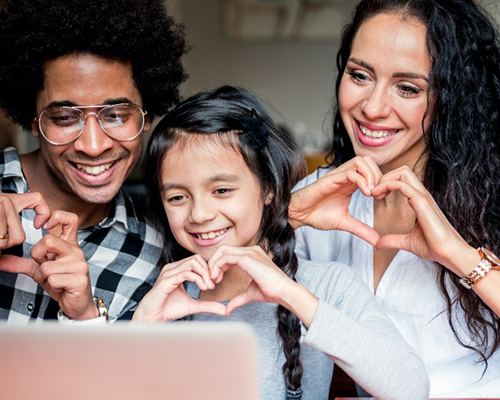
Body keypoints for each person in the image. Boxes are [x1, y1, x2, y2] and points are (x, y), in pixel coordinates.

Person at [132, 86, 430, 399]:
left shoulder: (328, 285)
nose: (200, 214)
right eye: (177, 197)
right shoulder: (168, 297)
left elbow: (410, 388)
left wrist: (290, 294)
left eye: (221, 190)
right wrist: (143, 328)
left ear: (269, 188)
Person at [289, 0, 500, 396]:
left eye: (407, 87)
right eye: (360, 75)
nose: (372, 106)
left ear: (452, 97)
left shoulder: (492, 195)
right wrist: (291, 218)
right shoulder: (317, 196)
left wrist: (457, 254)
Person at [0, 0, 186, 322]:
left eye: (115, 115)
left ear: (147, 115)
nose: (94, 145)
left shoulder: (158, 260)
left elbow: (124, 373)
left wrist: (86, 316)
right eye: (64, 117)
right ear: (33, 120)